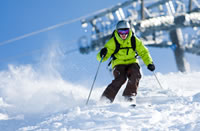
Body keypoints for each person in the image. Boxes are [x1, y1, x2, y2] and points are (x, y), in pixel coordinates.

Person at [96, 20, 155, 105]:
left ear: (129, 30)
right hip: (118, 63)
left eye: (126, 31)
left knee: (135, 73)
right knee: (121, 78)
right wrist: (102, 53)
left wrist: (149, 63)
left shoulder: (134, 40)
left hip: (132, 62)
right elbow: (101, 58)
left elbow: (144, 52)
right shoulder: (113, 42)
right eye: (121, 31)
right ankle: (106, 98)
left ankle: (129, 96)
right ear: (117, 31)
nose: (123, 34)